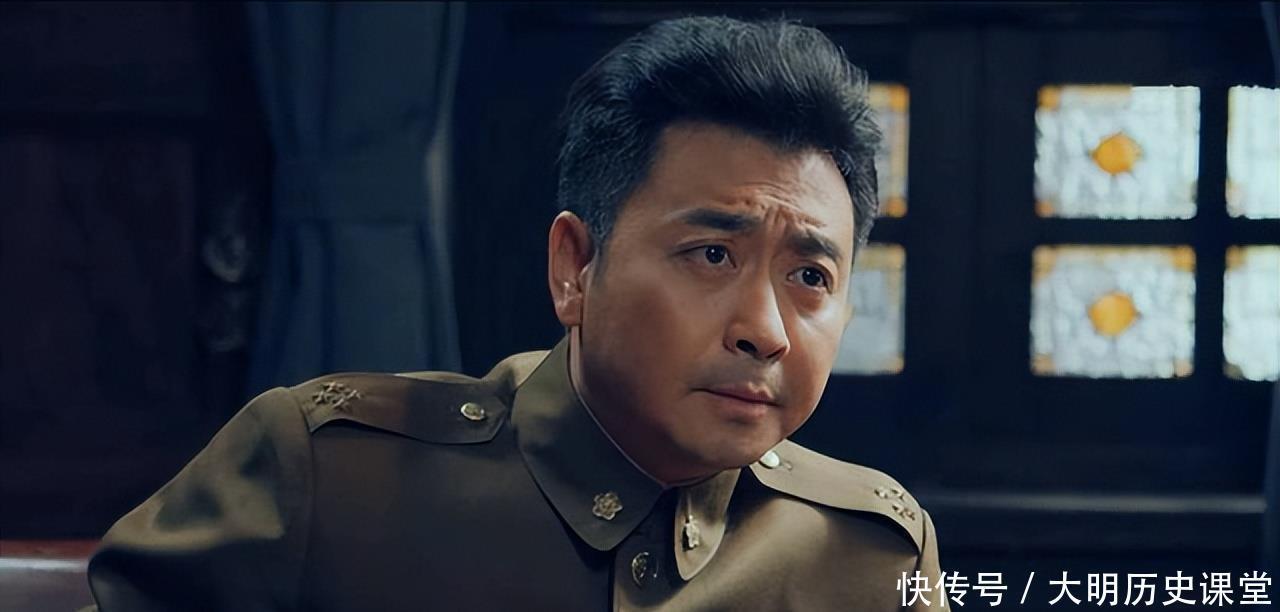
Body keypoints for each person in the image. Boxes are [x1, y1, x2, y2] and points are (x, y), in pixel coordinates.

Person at [83, 15, 945, 611]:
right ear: (575, 267)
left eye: (810, 276)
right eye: (712, 254)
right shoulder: (325, 477)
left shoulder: (870, 550)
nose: (766, 330)